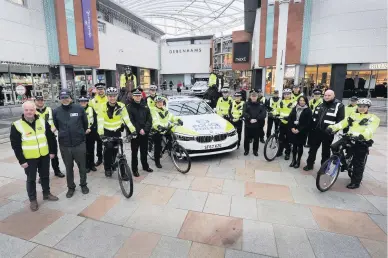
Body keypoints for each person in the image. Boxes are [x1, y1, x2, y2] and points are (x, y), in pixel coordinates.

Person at [10, 101, 59, 211]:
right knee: (31, 179)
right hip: (29, 158)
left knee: (45, 176)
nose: (29, 112)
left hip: (44, 155)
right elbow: (15, 145)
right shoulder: (17, 125)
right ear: (23, 111)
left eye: (31, 110)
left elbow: (51, 138)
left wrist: (52, 152)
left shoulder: (42, 121)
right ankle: (33, 200)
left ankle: (46, 193)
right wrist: (21, 161)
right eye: (27, 110)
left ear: (35, 110)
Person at [327, 98, 380, 189]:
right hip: (349, 137)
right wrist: (332, 127)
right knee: (334, 146)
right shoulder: (353, 115)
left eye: (364, 106)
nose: (362, 108)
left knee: (357, 162)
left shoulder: (373, 118)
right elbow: (343, 123)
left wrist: (362, 135)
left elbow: (370, 129)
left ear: (368, 107)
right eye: (360, 106)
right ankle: (342, 162)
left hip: (362, 141)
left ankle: (356, 182)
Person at [53, 89, 89, 198]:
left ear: (71, 98)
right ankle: (71, 187)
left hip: (79, 143)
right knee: (69, 168)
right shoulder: (56, 111)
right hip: (65, 145)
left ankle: (83, 184)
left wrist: (79, 134)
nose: (65, 100)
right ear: (60, 99)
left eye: (67, 97)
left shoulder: (79, 108)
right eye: (63, 98)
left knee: (82, 167)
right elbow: (57, 125)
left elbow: (85, 124)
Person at [98, 87, 136, 177]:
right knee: (109, 149)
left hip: (117, 132)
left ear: (117, 96)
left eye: (114, 96)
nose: (112, 98)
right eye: (110, 96)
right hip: (106, 132)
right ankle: (107, 168)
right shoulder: (102, 106)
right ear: (107, 97)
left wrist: (133, 130)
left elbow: (127, 120)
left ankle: (123, 172)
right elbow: (100, 121)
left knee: (119, 150)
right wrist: (101, 134)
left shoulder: (121, 106)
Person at [303, 89, 345, 171]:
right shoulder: (320, 105)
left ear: (333, 96)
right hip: (316, 132)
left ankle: (324, 168)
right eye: (325, 95)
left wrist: (334, 131)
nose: (327, 97)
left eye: (329, 95)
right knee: (312, 150)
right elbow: (314, 118)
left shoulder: (339, 106)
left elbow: (340, 121)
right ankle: (309, 164)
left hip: (328, 133)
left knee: (325, 152)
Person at [34, 94, 64, 178]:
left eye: (41, 100)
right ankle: (42, 175)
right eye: (38, 100)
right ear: (35, 101)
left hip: (51, 136)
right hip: (39, 138)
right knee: (41, 157)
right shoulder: (33, 111)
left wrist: (54, 129)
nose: (40, 102)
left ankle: (57, 171)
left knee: (54, 154)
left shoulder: (50, 110)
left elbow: (56, 121)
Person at [150, 96, 183, 168]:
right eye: (158, 102)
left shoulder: (165, 109)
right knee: (157, 147)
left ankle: (169, 150)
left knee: (171, 139)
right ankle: (157, 161)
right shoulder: (154, 111)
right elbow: (155, 120)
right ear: (155, 103)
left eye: (161, 102)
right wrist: (158, 126)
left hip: (165, 128)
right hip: (157, 130)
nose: (160, 103)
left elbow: (171, 116)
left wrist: (178, 120)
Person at [127, 88, 153, 174]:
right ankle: (135, 170)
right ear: (133, 97)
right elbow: (130, 120)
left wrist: (145, 129)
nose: (138, 97)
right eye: (136, 96)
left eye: (139, 95)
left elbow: (149, 119)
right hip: (135, 133)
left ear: (141, 96)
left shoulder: (145, 105)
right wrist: (139, 129)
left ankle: (145, 166)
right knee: (134, 152)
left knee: (144, 151)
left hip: (144, 133)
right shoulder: (129, 107)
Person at [288, 96, 312, 168]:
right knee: (294, 146)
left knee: (300, 146)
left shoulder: (308, 110)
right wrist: (292, 128)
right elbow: (290, 118)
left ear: (306, 101)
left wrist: (299, 130)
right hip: (294, 129)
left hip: (302, 131)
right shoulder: (294, 108)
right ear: (298, 101)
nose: (301, 102)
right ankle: (293, 160)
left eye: (303, 100)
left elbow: (308, 123)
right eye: (300, 100)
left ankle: (298, 161)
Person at [243, 89, 267, 156]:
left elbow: (263, 114)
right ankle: (246, 150)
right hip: (248, 124)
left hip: (257, 124)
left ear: (257, 97)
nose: (254, 97)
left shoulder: (261, 104)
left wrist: (256, 119)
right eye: (252, 96)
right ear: (250, 97)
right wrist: (249, 118)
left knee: (256, 139)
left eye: (255, 96)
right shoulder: (246, 104)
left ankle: (255, 151)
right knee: (246, 139)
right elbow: (244, 113)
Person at [89, 83, 107, 166]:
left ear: (104, 89)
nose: (100, 91)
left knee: (107, 142)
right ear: (96, 90)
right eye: (99, 89)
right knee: (99, 142)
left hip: (107, 123)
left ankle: (108, 157)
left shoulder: (108, 98)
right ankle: (99, 158)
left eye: (102, 89)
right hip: (96, 124)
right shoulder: (92, 101)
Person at [275, 88, 295, 160]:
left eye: (288, 94)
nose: (287, 95)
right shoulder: (281, 101)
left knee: (288, 139)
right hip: (282, 122)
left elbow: (295, 113)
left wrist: (289, 117)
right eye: (285, 94)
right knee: (281, 138)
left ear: (291, 94)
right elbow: (277, 110)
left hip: (290, 124)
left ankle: (287, 153)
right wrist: (275, 114)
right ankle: (280, 151)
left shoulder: (294, 102)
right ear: (283, 95)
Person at [79, 96, 97, 173]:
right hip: (81, 133)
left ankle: (92, 165)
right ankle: (86, 165)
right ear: (79, 102)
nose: (83, 102)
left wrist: (90, 128)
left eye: (85, 101)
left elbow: (95, 120)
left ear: (87, 102)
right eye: (81, 101)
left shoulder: (91, 109)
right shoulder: (77, 109)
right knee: (84, 151)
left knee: (91, 149)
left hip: (90, 132)